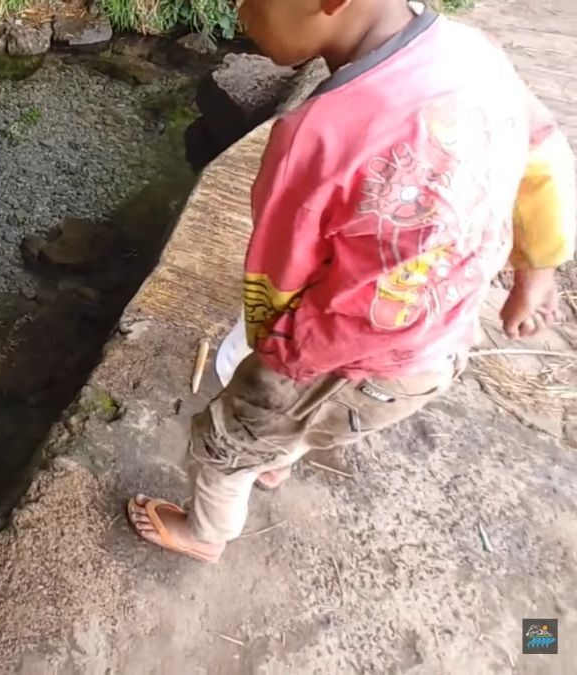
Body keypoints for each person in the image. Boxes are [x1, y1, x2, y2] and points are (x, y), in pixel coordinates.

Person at [127, 0, 576, 562]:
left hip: (341, 351)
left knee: (232, 436)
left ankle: (206, 534)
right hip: (440, 345)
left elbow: (277, 277)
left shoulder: (314, 134)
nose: (241, 16)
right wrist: (538, 271)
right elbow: (544, 155)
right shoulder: (475, 54)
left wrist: (265, 361)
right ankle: (278, 456)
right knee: (318, 420)